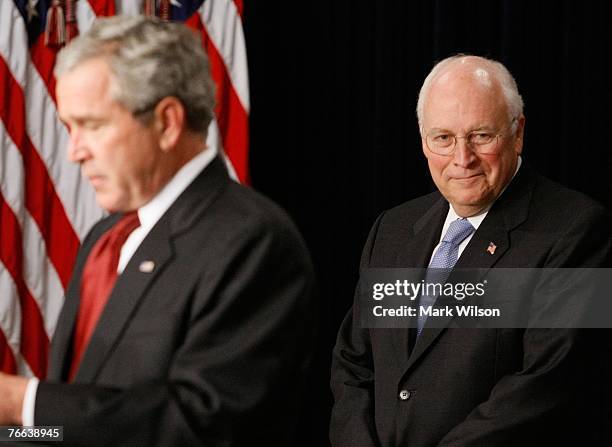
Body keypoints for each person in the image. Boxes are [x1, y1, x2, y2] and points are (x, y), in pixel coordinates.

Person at [0, 16, 315, 446]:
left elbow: (203, 426)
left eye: (91, 125)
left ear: (167, 121)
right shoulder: (105, 237)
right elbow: (78, 418)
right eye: (68, 128)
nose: (74, 152)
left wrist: (24, 404)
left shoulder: (254, 242)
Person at [330, 54, 612, 446]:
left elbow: (549, 383)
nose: (462, 159)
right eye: (443, 138)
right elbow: (354, 364)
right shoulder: (391, 230)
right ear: (424, 141)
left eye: (481, 135)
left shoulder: (578, 230)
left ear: (518, 133)